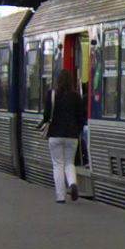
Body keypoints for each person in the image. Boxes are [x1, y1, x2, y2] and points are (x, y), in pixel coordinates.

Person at [41, 69, 86, 202]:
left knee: (58, 164)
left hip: (55, 134)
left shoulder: (52, 95)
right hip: (72, 136)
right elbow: (81, 117)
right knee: (69, 163)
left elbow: (46, 116)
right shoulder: (76, 96)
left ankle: (60, 196)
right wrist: (77, 130)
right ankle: (72, 183)